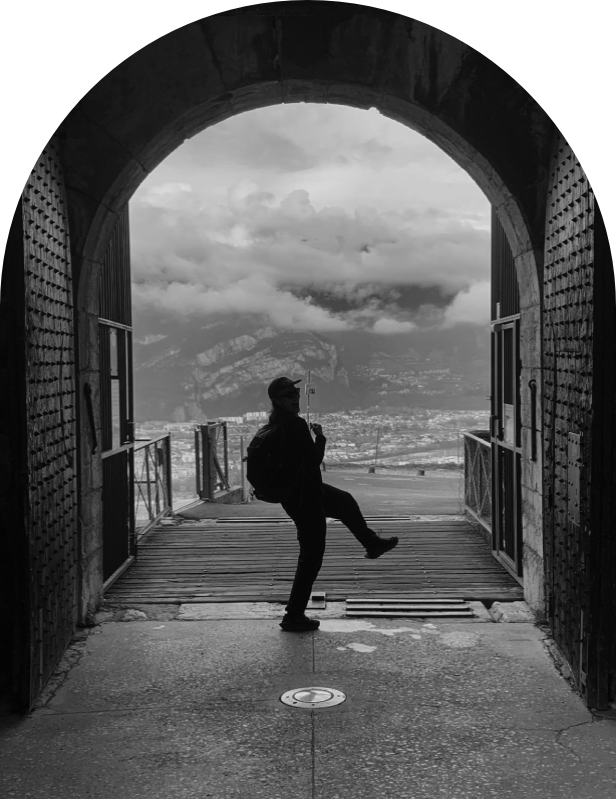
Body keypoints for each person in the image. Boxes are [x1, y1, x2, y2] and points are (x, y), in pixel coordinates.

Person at [266, 376, 398, 632]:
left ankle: (372, 543)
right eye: (290, 395)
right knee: (311, 557)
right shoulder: (295, 425)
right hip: (306, 498)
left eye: (296, 393)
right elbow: (314, 459)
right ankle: (293, 615)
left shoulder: (275, 423)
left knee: (345, 501)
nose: (296, 397)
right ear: (279, 401)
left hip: (302, 493)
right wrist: (320, 436)